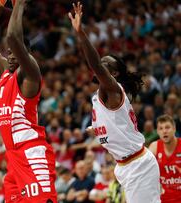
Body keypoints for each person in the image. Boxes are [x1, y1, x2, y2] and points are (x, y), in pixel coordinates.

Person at [68, 2, 160, 203]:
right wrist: (99, 128)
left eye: (105, 65)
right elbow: (114, 123)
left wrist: (81, 33)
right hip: (124, 166)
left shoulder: (113, 89)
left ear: (115, 74)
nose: (101, 66)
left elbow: (94, 64)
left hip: (138, 165)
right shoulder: (100, 96)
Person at [0, 0, 57, 202]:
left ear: (25, 54)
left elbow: (12, 36)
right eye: (8, 52)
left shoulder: (30, 72)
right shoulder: (5, 71)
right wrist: (0, 5)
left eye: (14, 52)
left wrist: (19, 4)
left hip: (32, 152)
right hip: (13, 157)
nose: (10, 56)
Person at [149, 115, 181, 203]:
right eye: (161, 128)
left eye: (167, 127)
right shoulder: (154, 147)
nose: (164, 131)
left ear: (174, 129)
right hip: (162, 199)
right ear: (157, 132)